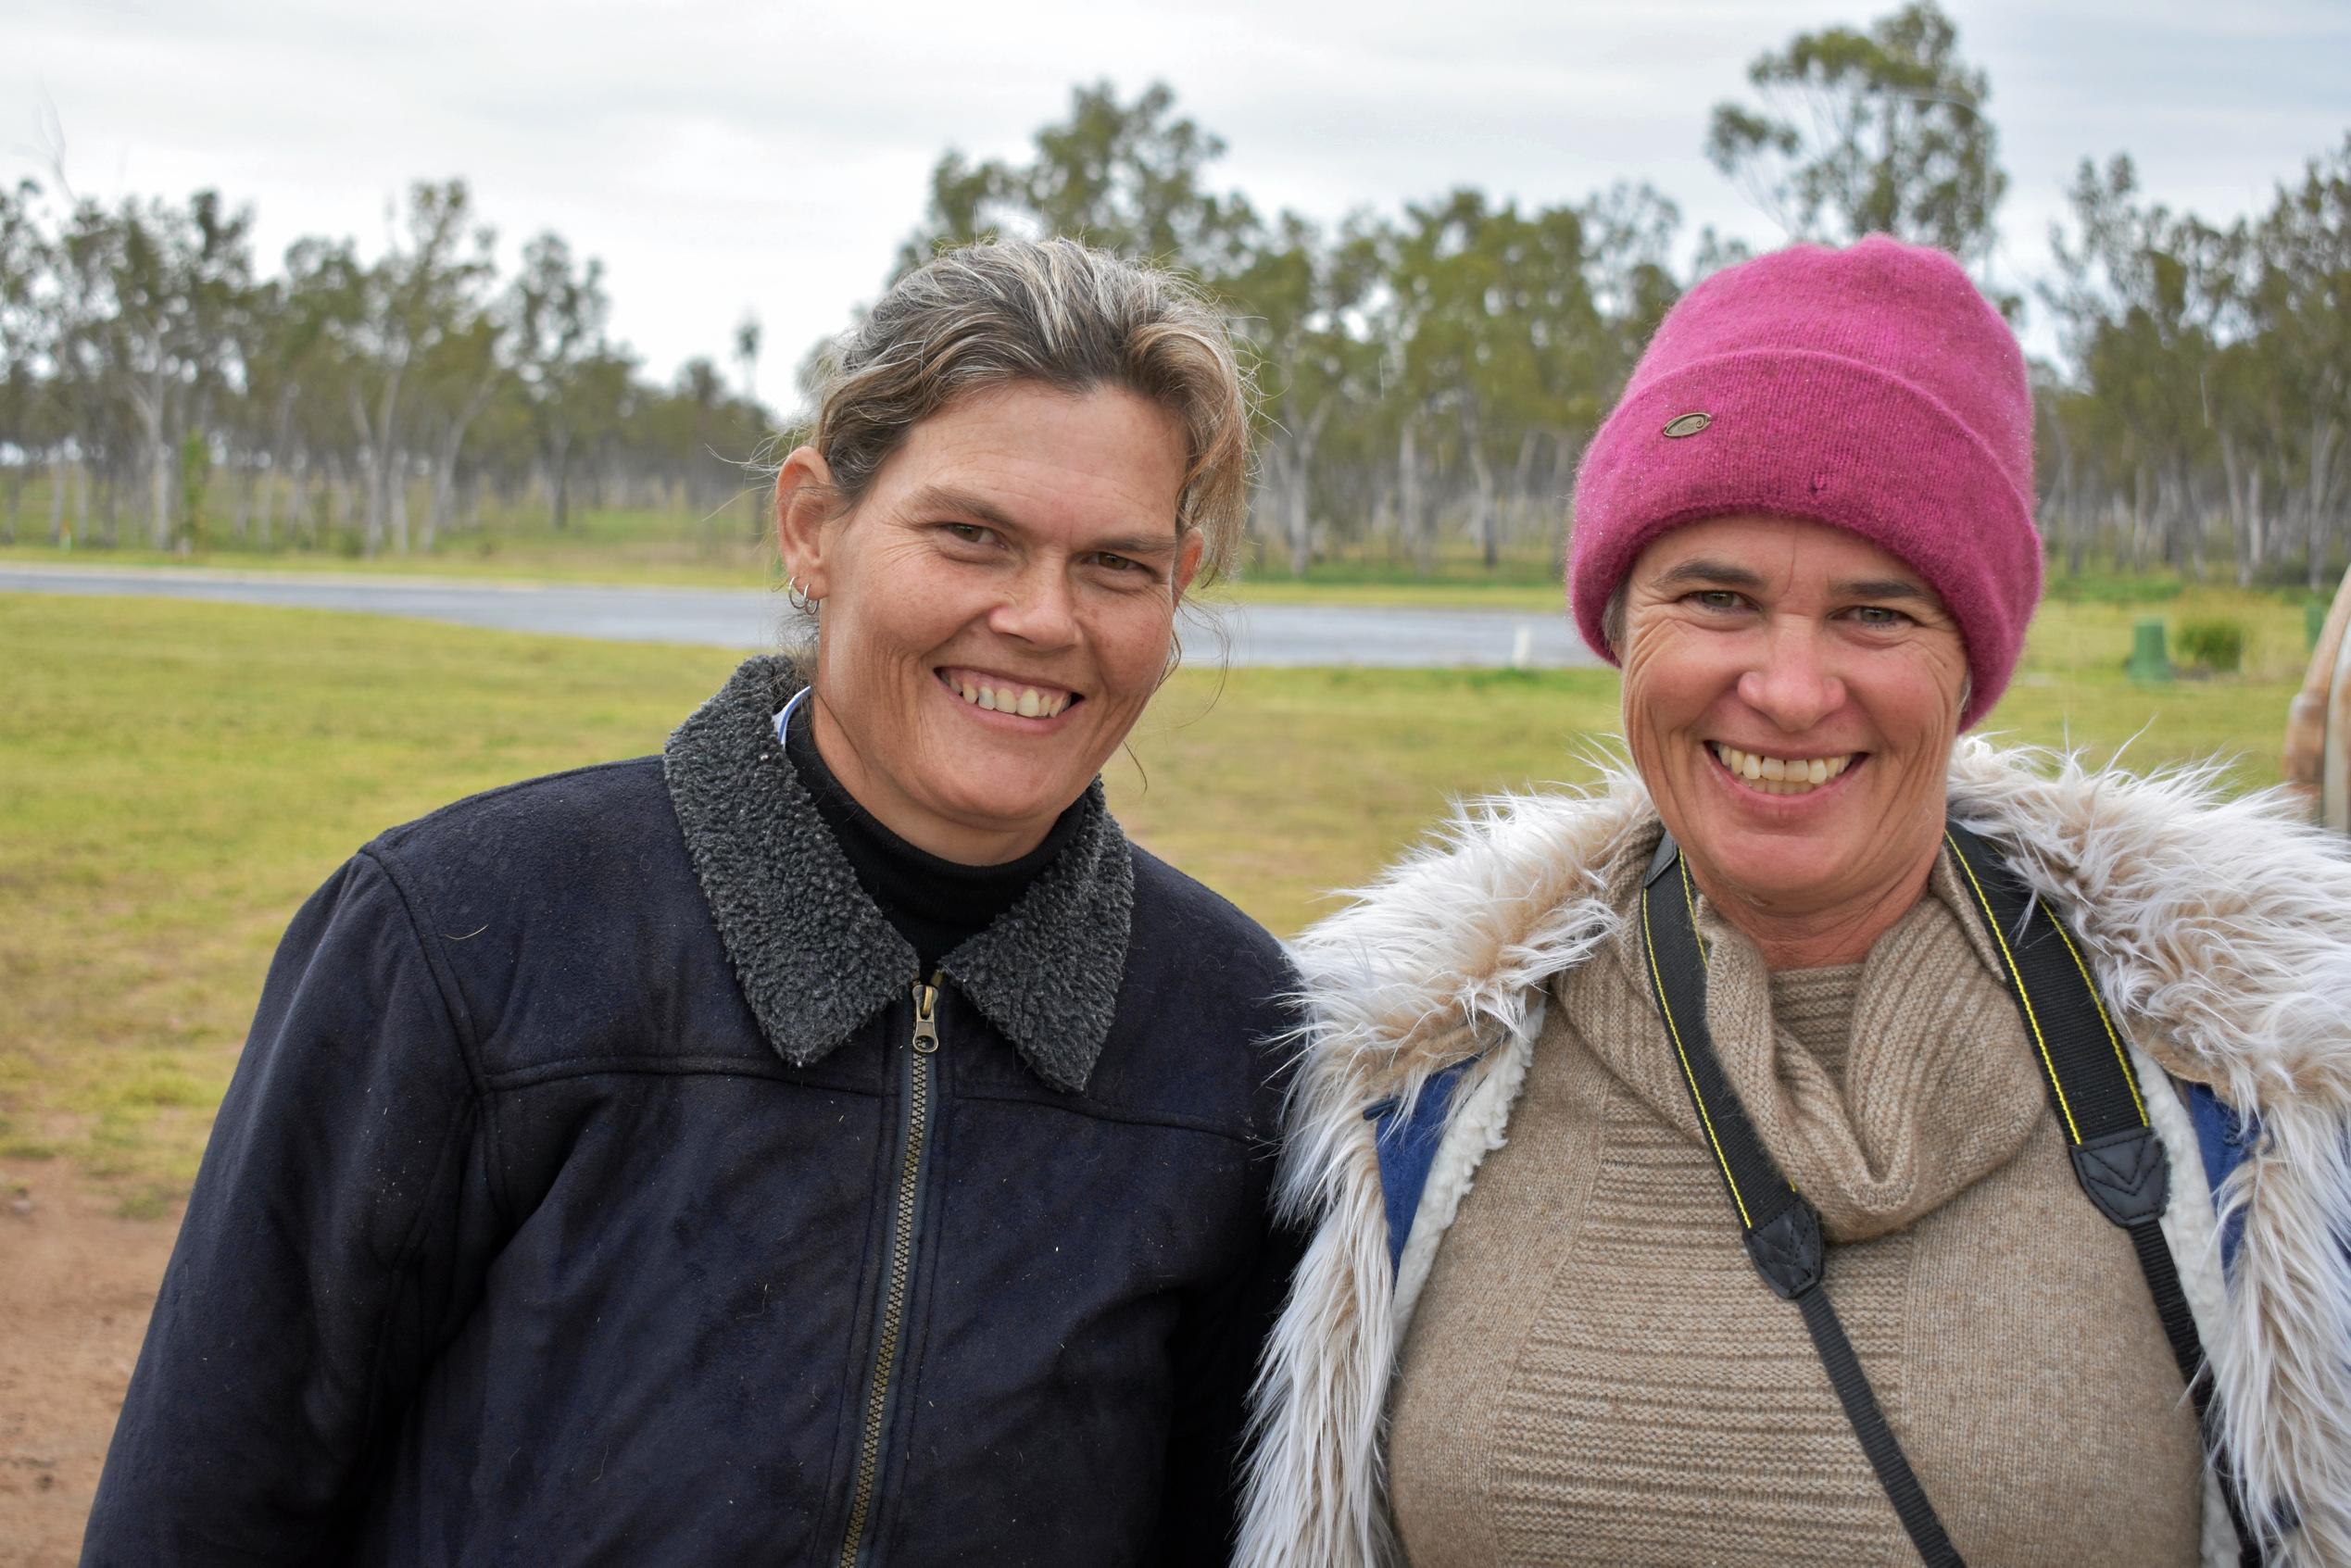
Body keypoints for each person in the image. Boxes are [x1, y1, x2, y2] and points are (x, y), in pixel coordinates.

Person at [84, 237, 1301, 1566]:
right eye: (971, 535)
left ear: (1176, 587)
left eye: (1114, 566)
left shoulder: (1237, 1038)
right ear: (812, 526)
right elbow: (202, 1507)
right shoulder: (458, 939)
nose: (1039, 615)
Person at [1240, 237, 2351, 1568]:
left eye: (1874, 615)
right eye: (1717, 598)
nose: (1786, 686)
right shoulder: (1389, 1086)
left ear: (1969, 665)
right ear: (1618, 623)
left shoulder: (2259, 1100)